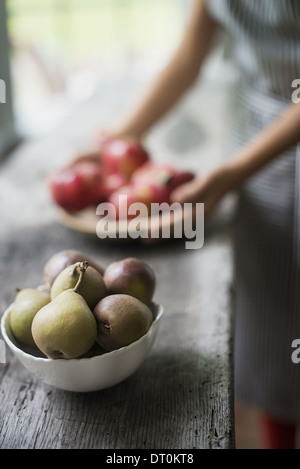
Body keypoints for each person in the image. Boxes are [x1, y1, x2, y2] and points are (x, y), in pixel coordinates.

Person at [79, 0, 300, 448]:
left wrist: (227, 176)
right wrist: (122, 139)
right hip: (256, 143)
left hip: (252, 156)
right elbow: (189, 56)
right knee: (273, 320)